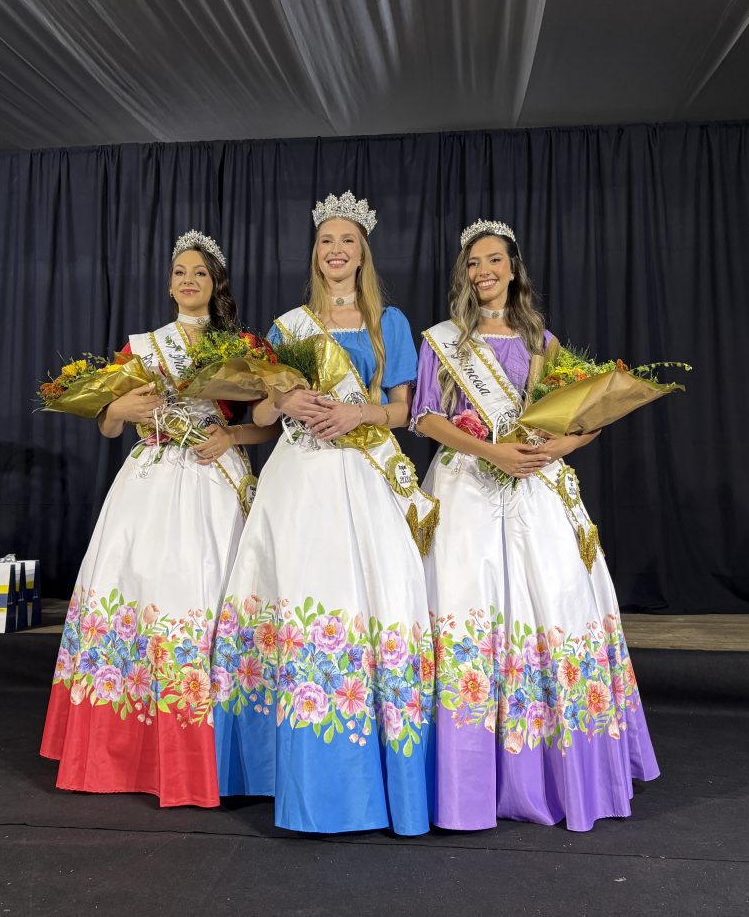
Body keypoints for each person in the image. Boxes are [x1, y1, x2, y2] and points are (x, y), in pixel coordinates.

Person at [412, 218, 659, 832]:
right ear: (465, 274)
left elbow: (586, 415)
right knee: (467, 603)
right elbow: (426, 417)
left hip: (535, 486)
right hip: (467, 485)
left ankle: (552, 770)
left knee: (553, 603)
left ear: (513, 269)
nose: (484, 271)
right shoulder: (443, 341)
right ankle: (467, 777)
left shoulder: (541, 341)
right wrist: (490, 451)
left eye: (494, 260)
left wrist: (559, 448)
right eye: (474, 263)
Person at [210, 192, 438, 836]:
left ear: (363, 253)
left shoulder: (389, 322)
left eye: (347, 241)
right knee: (298, 599)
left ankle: (370, 777)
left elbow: (405, 412)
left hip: (364, 477)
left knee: (370, 601)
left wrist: (357, 411)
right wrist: (286, 401)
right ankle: (277, 771)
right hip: (300, 481)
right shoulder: (289, 328)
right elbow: (260, 412)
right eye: (326, 242)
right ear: (316, 254)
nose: (336, 251)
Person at [40, 230, 275, 808]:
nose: (188, 280)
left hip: (214, 480)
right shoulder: (143, 347)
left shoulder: (243, 346)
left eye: (200, 272)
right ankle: (127, 753)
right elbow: (109, 425)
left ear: (216, 283)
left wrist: (232, 437)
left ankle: (220, 756)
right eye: (179, 272)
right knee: (142, 590)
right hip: (149, 481)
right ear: (169, 284)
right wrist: (116, 408)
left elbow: (268, 425)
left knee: (206, 592)